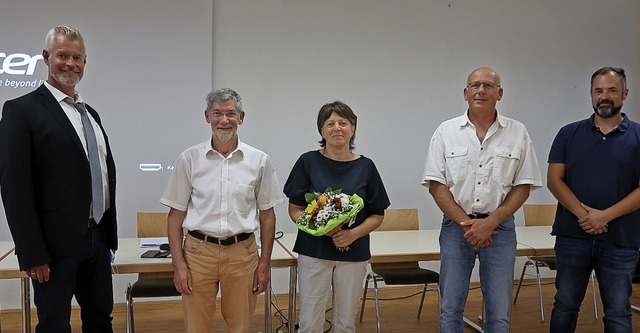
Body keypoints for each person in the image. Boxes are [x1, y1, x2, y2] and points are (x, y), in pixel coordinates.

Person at [0, 25, 117, 332]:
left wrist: (106, 238)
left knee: (100, 320)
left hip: (97, 239)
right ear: (46, 57)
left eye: (77, 57)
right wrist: (31, 252)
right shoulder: (20, 111)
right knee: (54, 325)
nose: (70, 63)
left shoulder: (89, 113)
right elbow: (15, 188)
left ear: (85, 62)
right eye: (62, 55)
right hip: (52, 250)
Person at [422, 67, 542, 332]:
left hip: (500, 230)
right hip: (456, 230)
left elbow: (523, 185)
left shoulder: (517, 132)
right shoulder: (446, 131)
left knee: (499, 313)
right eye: (475, 85)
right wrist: (468, 224)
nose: (481, 90)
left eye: (488, 85)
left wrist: (490, 223)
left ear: (499, 93)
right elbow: (436, 184)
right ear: (465, 93)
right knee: (450, 309)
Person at [159, 88, 285, 333]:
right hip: (198, 254)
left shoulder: (259, 160)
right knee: (197, 327)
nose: (224, 121)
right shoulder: (189, 159)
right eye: (218, 114)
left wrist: (264, 264)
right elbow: (175, 218)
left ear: (241, 117)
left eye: (230, 114)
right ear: (207, 116)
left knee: (240, 327)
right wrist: (179, 265)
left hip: (242, 254)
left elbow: (267, 217)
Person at [283, 101, 391, 333]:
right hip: (314, 252)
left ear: (353, 128)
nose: (337, 128)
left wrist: (352, 234)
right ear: (321, 130)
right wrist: (318, 227)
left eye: (343, 123)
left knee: (345, 323)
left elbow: (377, 214)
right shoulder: (307, 162)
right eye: (330, 123)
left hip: (353, 253)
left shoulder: (366, 166)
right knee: (310, 322)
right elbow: (295, 209)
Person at [548, 67, 640, 332]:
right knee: (565, 305)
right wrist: (585, 216)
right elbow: (555, 180)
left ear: (625, 93)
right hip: (572, 236)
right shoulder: (568, 133)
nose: (605, 96)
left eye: (612, 90)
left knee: (619, 311)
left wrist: (604, 216)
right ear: (591, 94)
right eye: (599, 91)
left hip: (621, 239)